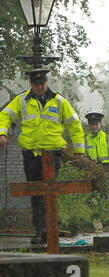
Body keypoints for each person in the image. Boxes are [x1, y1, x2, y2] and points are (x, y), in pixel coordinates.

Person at [0, 69, 85, 244]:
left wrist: (79, 149)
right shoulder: (22, 99)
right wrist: (3, 133)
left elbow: (74, 124)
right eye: (36, 84)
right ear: (31, 84)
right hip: (31, 154)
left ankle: (49, 229)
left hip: (52, 155)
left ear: (47, 81)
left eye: (42, 83)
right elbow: (5, 115)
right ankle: (40, 230)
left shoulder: (60, 101)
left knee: (50, 194)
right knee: (36, 193)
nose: (40, 87)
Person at [85, 111, 109, 215]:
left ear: (100, 124)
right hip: (94, 170)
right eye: (92, 124)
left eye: (96, 124)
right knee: (96, 194)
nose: (94, 126)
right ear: (88, 125)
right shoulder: (85, 140)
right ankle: (99, 215)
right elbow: (84, 158)